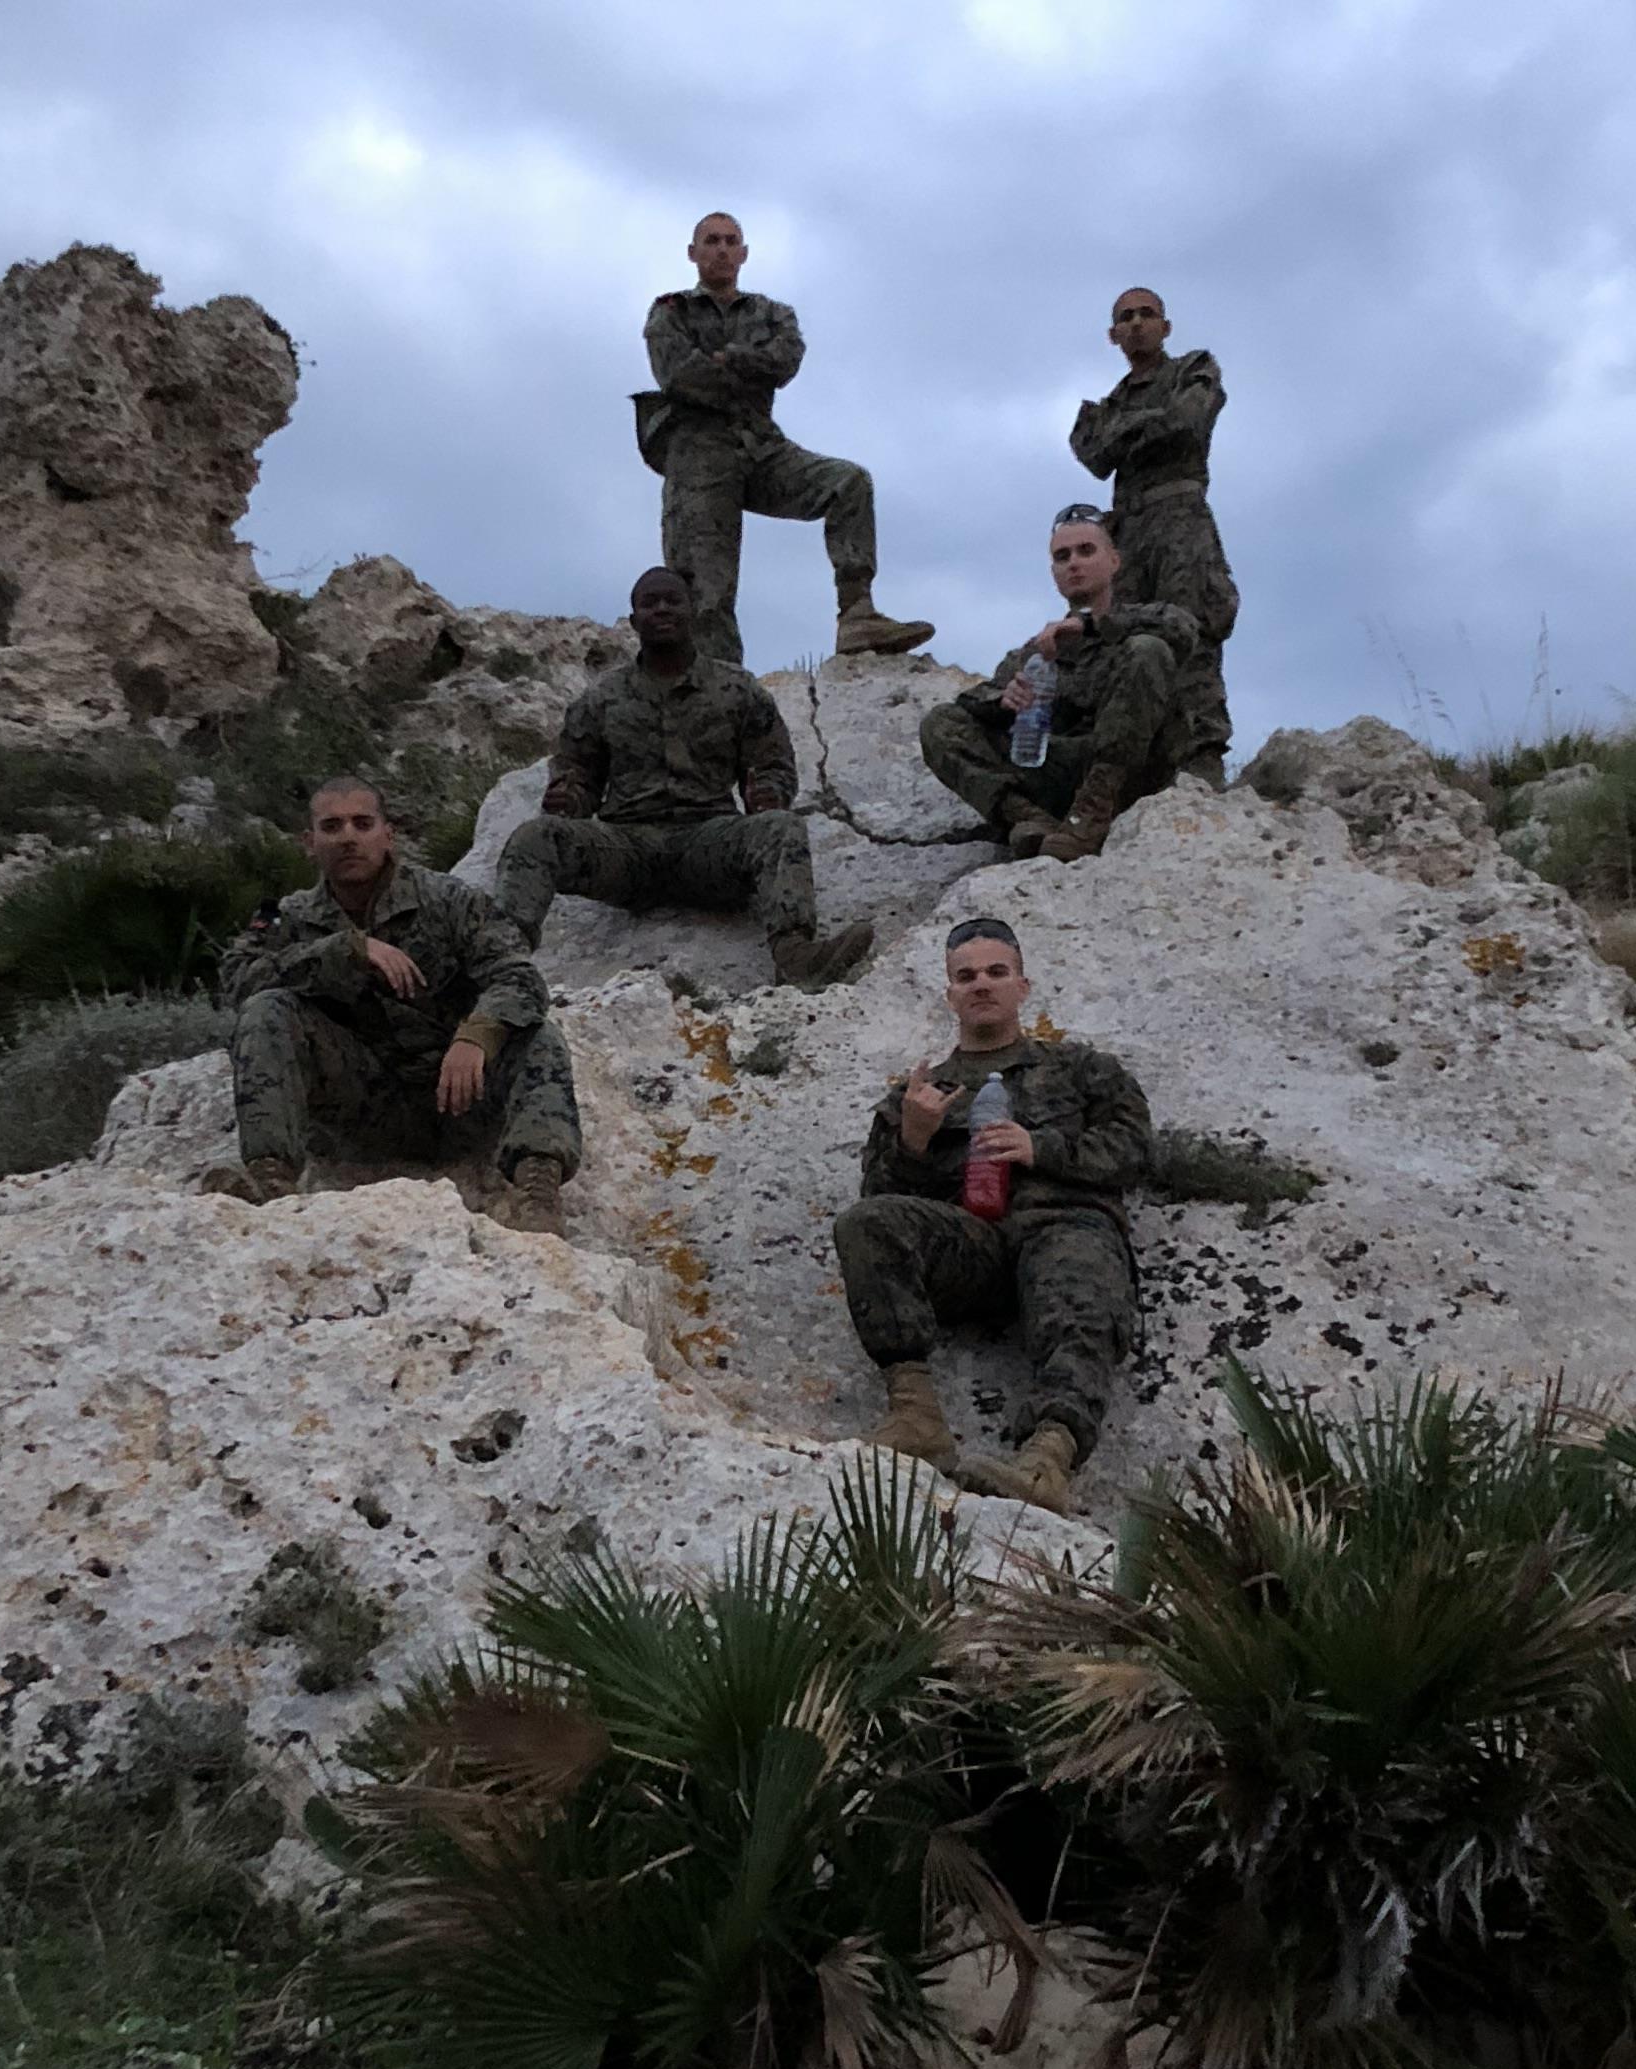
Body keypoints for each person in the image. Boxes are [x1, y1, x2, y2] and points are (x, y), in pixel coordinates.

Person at [832, 914, 1151, 1513]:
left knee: (1079, 1275)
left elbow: (1135, 1150)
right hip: (973, 1245)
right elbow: (879, 1199)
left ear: (1022, 986)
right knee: (864, 1224)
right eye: (966, 975)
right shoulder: (923, 1091)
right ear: (949, 993)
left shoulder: (1083, 1071)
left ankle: (1049, 1460)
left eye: (997, 972)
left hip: (1065, 1228)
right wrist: (915, 1140)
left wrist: (1042, 1147)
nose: (982, 984)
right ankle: (916, 1418)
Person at [205, 773, 579, 1228]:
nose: (348, 838)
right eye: (332, 826)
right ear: (309, 841)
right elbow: (238, 983)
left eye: (363, 824)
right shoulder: (290, 919)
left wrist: (475, 1038)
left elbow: (518, 975)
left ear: (388, 834)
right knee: (267, 1011)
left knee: (537, 1034)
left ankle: (537, 1194)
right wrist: (344, 951)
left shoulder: (446, 900)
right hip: (364, 1107)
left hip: (462, 1096)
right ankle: (271, 1182)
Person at [495, 566, 875, 988]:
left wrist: (769, 794)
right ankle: (499, 967)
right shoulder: (602, 699)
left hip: (708, 844)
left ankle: (796, 957)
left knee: (781, 829)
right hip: (627, 850)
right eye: (649, 602)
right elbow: (577, 771)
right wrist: (569, 799)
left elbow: (774, 763)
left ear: (693, 611)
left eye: (672, 600)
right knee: (535, 837)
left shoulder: (737, 690)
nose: (661, 609)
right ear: (634, 619)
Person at [636, 210, 937, 670]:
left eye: (730, 241)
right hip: (698, 453)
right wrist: (747, 366)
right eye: (711, 241)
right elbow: (679, 376)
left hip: (761, 446)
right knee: (706, 591)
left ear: (744, 253)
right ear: (692, 253)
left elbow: (786, 362)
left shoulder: (772, 313)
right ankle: (719, 684)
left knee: (848, 484)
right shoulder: (670, 311)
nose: (721, 249)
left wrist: (724, 359)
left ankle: (857, 615)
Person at [917, 508, 1226, 859]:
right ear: (1054, 574)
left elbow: (1183, 629)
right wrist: (1004, 700)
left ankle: (1091, 816)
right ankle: (1029, 820)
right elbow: (971, 704)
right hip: (1061, 771)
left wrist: (1093, 625)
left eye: (1086, 551)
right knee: (940, 724)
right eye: (1062, 557)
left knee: (1148, 651)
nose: (1074, 563)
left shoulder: (1145, 623)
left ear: (1114, 561)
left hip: (1133, 772)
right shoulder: (1035, 653)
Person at [1069, 284, 1240, 653]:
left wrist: (1123, 432)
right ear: (1113, 336)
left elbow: (1186, 421)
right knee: (1120, 635)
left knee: (1190, 632)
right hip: (1127, 535)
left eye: (1147, 314)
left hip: (1181, 528)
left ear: (1166, 327)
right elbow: (1093, 455)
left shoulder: (1193, 368)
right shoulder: (1110, 405)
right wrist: (1150, 423)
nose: (1136, 323)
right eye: (1125, 317)